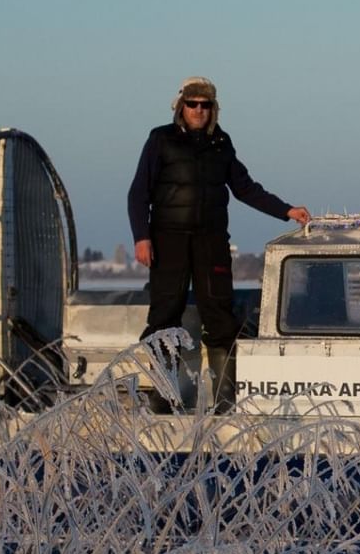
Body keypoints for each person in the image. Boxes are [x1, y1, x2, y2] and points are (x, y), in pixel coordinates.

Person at [128, 76, 311, 410]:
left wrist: (285, 210)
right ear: (180, 106)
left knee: (220, 316)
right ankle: (164, 396)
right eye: (192, 104)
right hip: (168, 240)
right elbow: (138, 192)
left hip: (211, 241)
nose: (199, 110)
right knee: (164, 316)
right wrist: (142, 236)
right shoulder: (160, 140)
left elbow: (245, 187)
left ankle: (225, 399)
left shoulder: (221, 144)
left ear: (214, 109)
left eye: (205, 105)